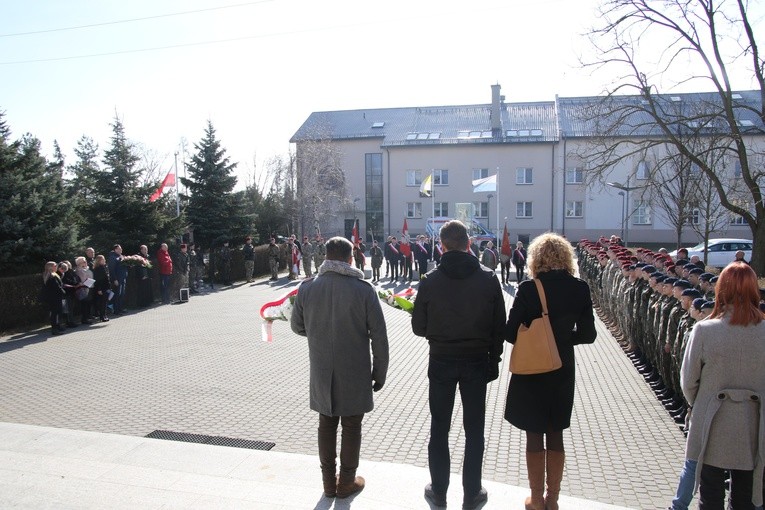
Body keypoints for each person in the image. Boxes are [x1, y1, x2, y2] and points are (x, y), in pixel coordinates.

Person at [411, 220, 506, 510]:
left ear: (441, 246)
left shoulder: (430, 280)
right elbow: (498, 327)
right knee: (474, 430)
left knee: (439, 427)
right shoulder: (488, 279)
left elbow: (418, 327)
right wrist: (494, 359)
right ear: (468, 243)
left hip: (441, 360)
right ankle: (471, 493)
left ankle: (439, 492)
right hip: (477, 360)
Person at [290, 236, 389, 499]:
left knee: (326, 423)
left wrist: (318, 332)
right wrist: (379, 374)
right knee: (352, 426)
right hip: (355, 371)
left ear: (325, 257)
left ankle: (327, 482)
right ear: (349, 258)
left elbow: (297, 326)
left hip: (322, 369)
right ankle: (346, 481)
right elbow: (379, 336)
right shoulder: (364, 290)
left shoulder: (307, 288)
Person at [504, 232, 596, 510]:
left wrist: (536, 337)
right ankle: (553, 499)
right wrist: (563, 340)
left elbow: (510, 333)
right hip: (562, 367)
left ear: (536, 258)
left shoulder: (529, 289)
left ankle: (536, 500)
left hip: (532, 368)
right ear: (567, 257)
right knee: (556, 431)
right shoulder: (580, 288)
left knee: (534, 432)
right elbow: (589, 335)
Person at [680, 261, 765, 509]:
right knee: (746, 495)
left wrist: (700, 403)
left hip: (712, 420)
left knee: (710, 493)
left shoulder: (705, 330)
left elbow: (688, 381)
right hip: (755, 424)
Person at [41, 261, 65, 335]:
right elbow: (57, 287)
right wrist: (63, 292)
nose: (56, 266)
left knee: (56, 312)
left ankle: (57, 326)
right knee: (55, 313)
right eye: (55, 266)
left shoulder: (53, 274)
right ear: (50, 267)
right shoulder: (51, 276)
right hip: (54, 298)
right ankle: (54, 329)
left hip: (54, 297)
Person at [107, 244, 128, 314]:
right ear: (115, 250)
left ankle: (120, 308)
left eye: (121, 249)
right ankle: (116, 310)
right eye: (119, 249)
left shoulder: (121, 256)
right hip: (117, 279)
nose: (121, 250)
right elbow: (111, 269)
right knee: (117, 295)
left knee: (122, 294)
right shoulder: (112, 257)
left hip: (123, 278)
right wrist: (115, 279)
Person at [74, 256, 94, 324]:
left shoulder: (86, 268)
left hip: (89, 287)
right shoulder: (79, 270)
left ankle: (88, 317)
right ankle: (85, 319)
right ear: (79, 263)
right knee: (85, 304)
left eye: (85, 261)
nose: (86, 262)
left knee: (88, 304)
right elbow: (81, 279)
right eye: (84, 261)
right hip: (83, 288)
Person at [92, 255, 111, 322]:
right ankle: (102, 316)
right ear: (99, 261)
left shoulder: (104, 267)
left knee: (105, 302)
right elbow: (98, 280)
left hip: (106, 287)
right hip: (101, 288)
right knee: (102, 302)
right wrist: (99, 289)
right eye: (103, 259)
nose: (104, 260)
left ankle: (104, 315)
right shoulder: (98, 268)